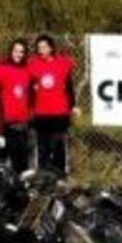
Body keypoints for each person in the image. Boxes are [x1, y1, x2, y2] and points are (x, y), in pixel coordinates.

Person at [28, 34, 79, 175]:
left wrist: (73, 105)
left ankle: (60, 174)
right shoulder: (33, 64)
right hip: (41, 113)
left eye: (44, 47)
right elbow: (30, 87)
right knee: (42, 146)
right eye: (39, 48)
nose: (41, 50)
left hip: (60, 112)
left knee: (58, 145)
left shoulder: (62, 63)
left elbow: (69, 86)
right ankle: (42, 174)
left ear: (51, 48)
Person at [0, 39, 32, 173]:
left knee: (21, 161)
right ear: (11, 52)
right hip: (5, 122)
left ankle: (20, 189)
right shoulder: (1, 69)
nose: (19, 54)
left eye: (22, 52)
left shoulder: (27, 70)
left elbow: (32, 93)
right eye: (16, 51)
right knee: (1, 159)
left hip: (22, 122)